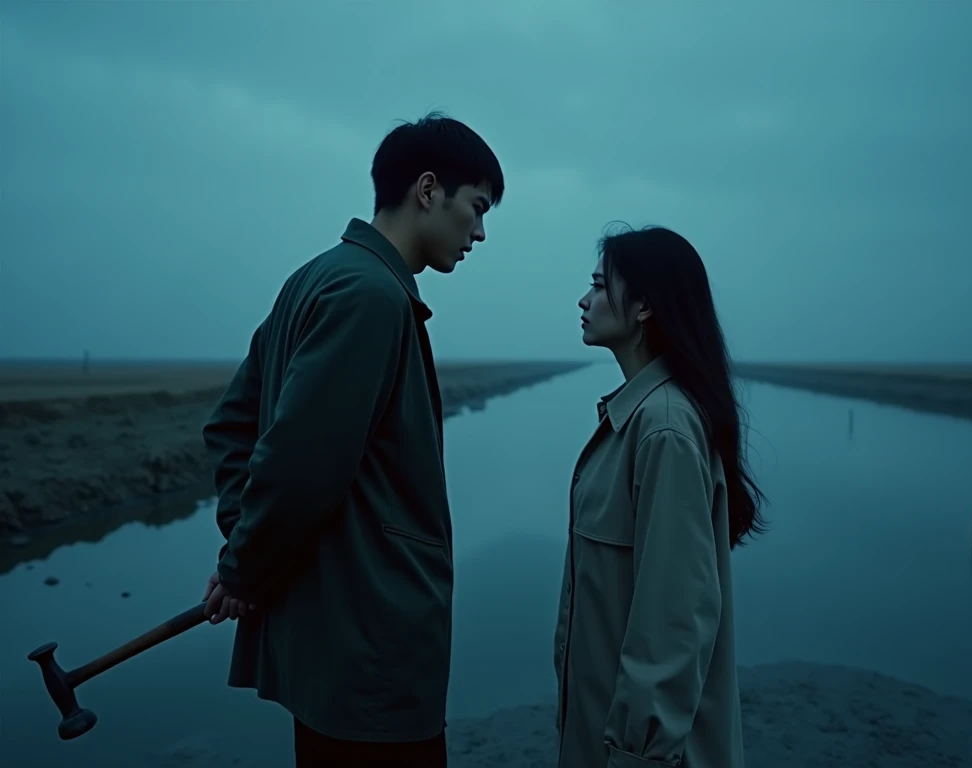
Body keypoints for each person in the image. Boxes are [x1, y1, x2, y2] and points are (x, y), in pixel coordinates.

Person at [199, 111, 504, 767]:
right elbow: (299, 463)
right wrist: (245, 564)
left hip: (335, 645)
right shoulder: (372, 296)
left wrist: (245, 552)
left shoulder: (316, 278)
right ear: (428, 190)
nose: (480, 232)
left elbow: (232, 427)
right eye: (476, 208)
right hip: (372, 647)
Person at [553, 224, 767, 768]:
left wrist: (636, 754)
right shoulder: (642, 417)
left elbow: (672, 623)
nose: (585, 299)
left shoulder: (662, 428)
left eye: (599, 286)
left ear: (644, 307)